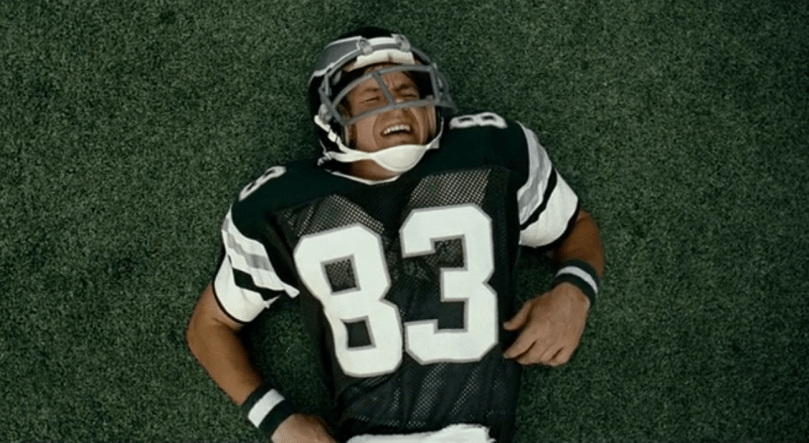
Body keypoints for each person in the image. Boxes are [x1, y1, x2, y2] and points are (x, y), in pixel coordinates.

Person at [186, 27, 604, 443]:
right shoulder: (283, 205)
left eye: (408, 92)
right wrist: (277, 420)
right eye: (371, 97)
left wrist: (574, 293)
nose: (397, 106)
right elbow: (210, 324)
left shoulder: (489, 153)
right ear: (332, 118)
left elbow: (574, 228)